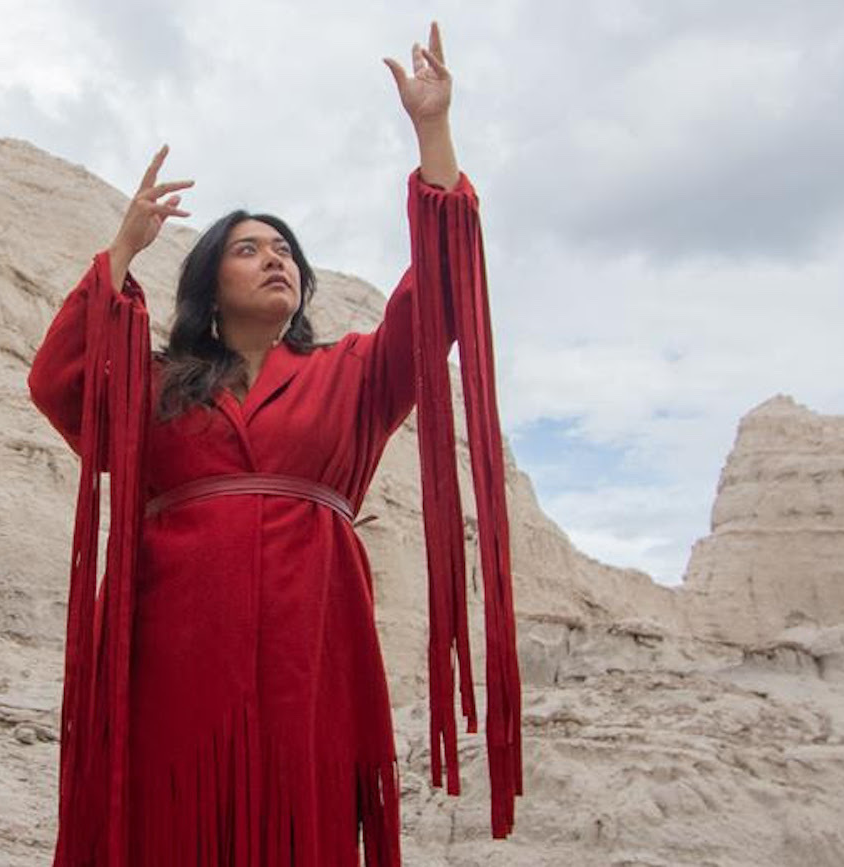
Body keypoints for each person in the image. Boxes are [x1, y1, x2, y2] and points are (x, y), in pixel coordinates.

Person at [28, 21, 521, 866]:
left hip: (314, 647)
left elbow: (439, 294)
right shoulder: (157, 381)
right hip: (172, 648)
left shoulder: (356, 372)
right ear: (209, 285)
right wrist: (122, 250)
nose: (274, 259)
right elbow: (62, 383)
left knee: (308, 815)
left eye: (285, 249)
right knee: (166, 813)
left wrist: (433, 132)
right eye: (248, 249)